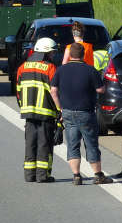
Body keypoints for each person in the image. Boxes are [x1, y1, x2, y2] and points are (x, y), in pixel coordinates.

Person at [50, 42, 113, 185]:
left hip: (67, 112)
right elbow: (100, 90)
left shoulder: (61, 70)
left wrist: (59, 108)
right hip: (86, 112)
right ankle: (98, 175)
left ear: (70, 55)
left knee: (72, 144)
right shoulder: (90, 70)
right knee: (91, 144)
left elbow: (53, 90)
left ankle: (76, 176)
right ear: (83, 54)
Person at [16, 37, 59, 183]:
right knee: (44, 144)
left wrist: (24, 106)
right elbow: (55, 92)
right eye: (52, 53)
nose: (53, 55)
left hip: (28, 113)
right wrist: (60, 110)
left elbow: (18, 91)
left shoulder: (22, 67)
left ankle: (29, 175)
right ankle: (42, 175)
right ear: (46, 53)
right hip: (46, 113)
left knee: (30, 143)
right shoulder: (50, 68)